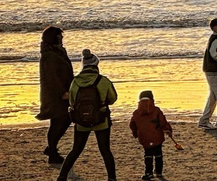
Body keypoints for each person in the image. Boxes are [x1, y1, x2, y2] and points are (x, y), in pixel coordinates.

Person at [57, 49, 118, 181]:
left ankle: (62, 176)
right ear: (96, 65)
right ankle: (112, 178)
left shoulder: (75, 82)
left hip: (81, 121)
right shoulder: (103, 81)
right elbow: (113, 98)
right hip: (101, 120)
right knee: (105, 150)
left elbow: (72, 101)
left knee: (76, 150)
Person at [38, 26, 75, 165]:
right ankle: (52, 152)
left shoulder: (56, 52)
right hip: (56, 94)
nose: (62, 39)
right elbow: (52, 77)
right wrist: (62, 93)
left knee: (63, 120)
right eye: (60, 37)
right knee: (59, 120)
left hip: (63, 91)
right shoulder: (50, 55)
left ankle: (51, 148)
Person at [129, 90, 172, 181]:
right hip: (157, 136)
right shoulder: (156, 110)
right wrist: (168, 130)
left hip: (144, 137)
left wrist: (135, 133)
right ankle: (159, 172)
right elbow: (163, 122)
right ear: (152, 99)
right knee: (158, 153)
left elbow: (132, 124)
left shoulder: (137, 113)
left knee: (147, 154)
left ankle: (148, 172)